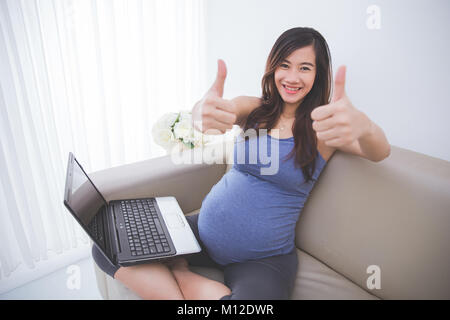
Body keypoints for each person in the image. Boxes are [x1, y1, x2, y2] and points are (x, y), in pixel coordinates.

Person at [92, 27, 390, 300]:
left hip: (262, 259)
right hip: (200, 233)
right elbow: (220, 110)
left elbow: (379, 151)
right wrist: (201, 112)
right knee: (106, 245)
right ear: (273, 67)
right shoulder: (257, 109)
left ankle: (180, 271)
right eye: (284, 64)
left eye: (305, 68)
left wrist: (365, 126)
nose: (292, 76)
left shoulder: (323, 128)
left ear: (318, 74)